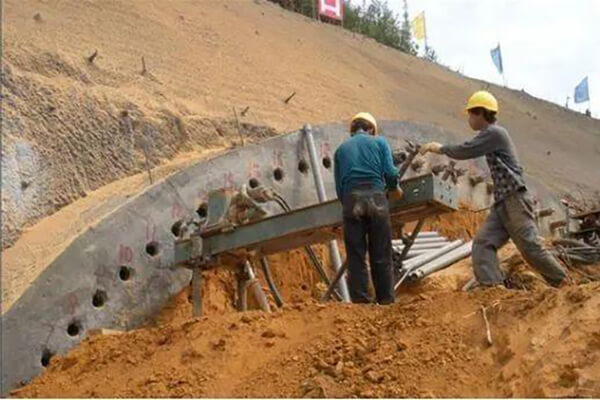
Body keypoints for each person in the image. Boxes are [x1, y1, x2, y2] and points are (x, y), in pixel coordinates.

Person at [420, 91, 569, 288]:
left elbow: (466, 150)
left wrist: (439, 148)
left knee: (529, 246)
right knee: (482, 244)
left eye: (471, 115)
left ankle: (563, 281)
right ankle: (493, 288)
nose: (469, 119)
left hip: (515, 199)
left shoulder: (494, 133)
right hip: (502, 203)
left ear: (481, 113)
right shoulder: (490, 135)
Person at [334, 112, 403, 304]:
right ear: (371, 129)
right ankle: (386, 301)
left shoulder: (340, 150)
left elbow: (339, 188)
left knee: (356, 256)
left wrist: (349, 204)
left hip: (351, 200)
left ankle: (361, 303)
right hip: (376, 198)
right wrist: (393, 188)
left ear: (353, 130)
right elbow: (390, 173)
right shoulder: (380, 143)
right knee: (381, 253)